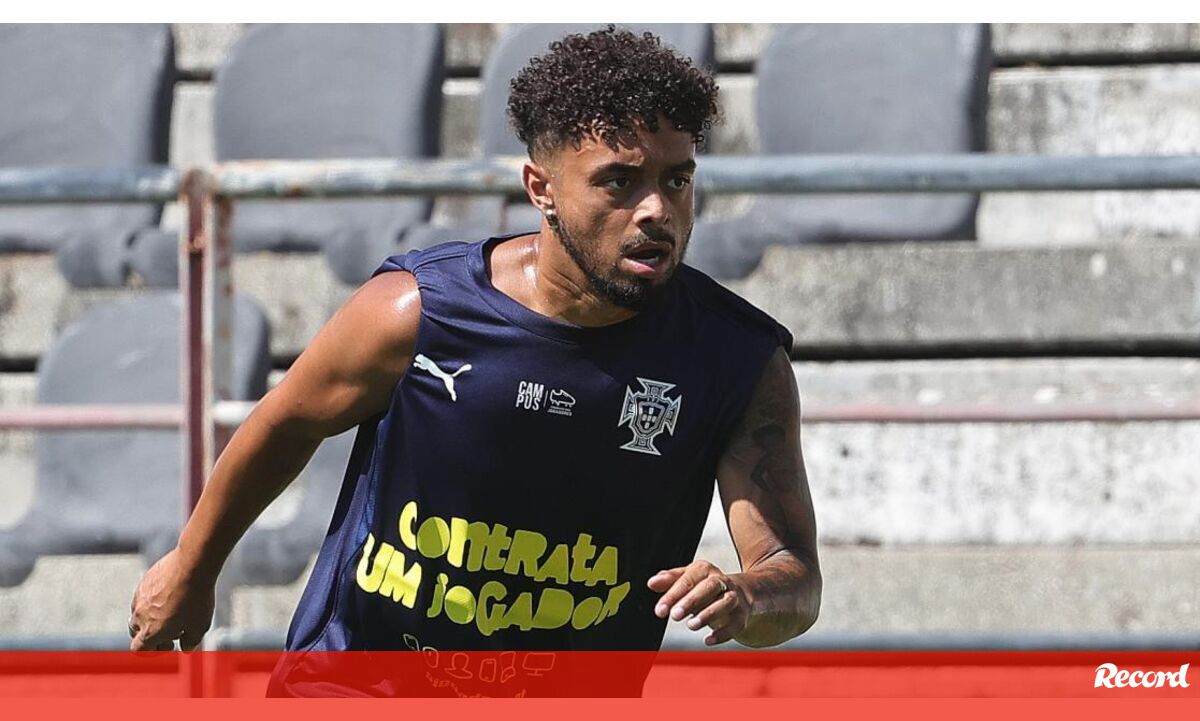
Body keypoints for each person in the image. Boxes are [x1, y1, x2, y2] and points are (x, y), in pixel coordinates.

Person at [128, 25, 821, 696]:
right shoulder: (415, 310)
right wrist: (192, 567)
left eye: (676, 180)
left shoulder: (737, 360)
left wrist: (746, 596)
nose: (656, 211)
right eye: (619, 182)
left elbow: (792, 575)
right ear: (541, 188)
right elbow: (286, 423)